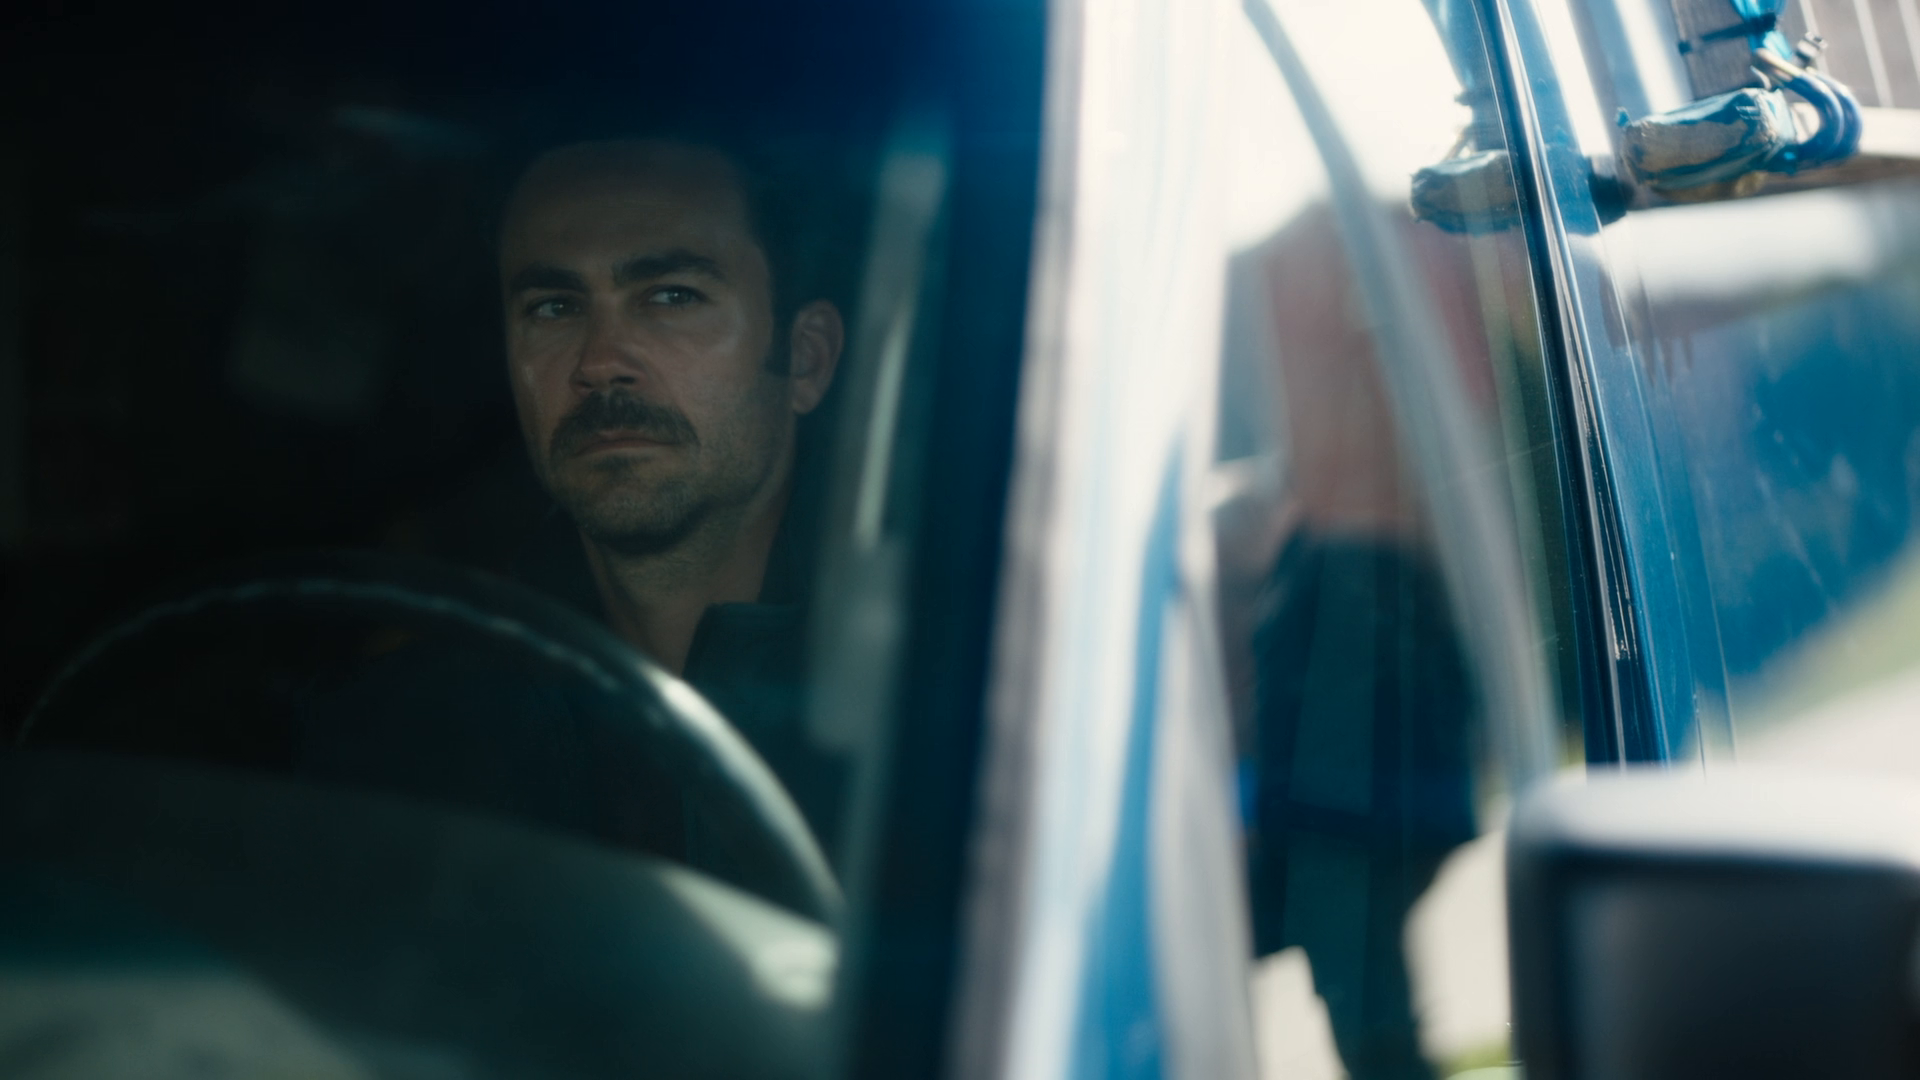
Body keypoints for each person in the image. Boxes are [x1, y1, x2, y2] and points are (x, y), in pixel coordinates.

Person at [294, 136, 853, 895]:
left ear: (807, 359)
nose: (598, 362)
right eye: (553, 307)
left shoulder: (942, 718)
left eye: (671, 297)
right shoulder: (407, 732)